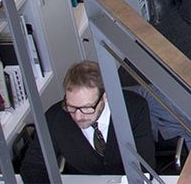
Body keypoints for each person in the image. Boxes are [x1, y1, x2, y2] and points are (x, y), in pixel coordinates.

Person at [20, 61, 155, 182]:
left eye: (86, 108)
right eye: (71, 107)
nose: (78, 116)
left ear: (105, 96)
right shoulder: (54, 118)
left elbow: (144, 167)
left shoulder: (134, 108)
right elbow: (33, 166)